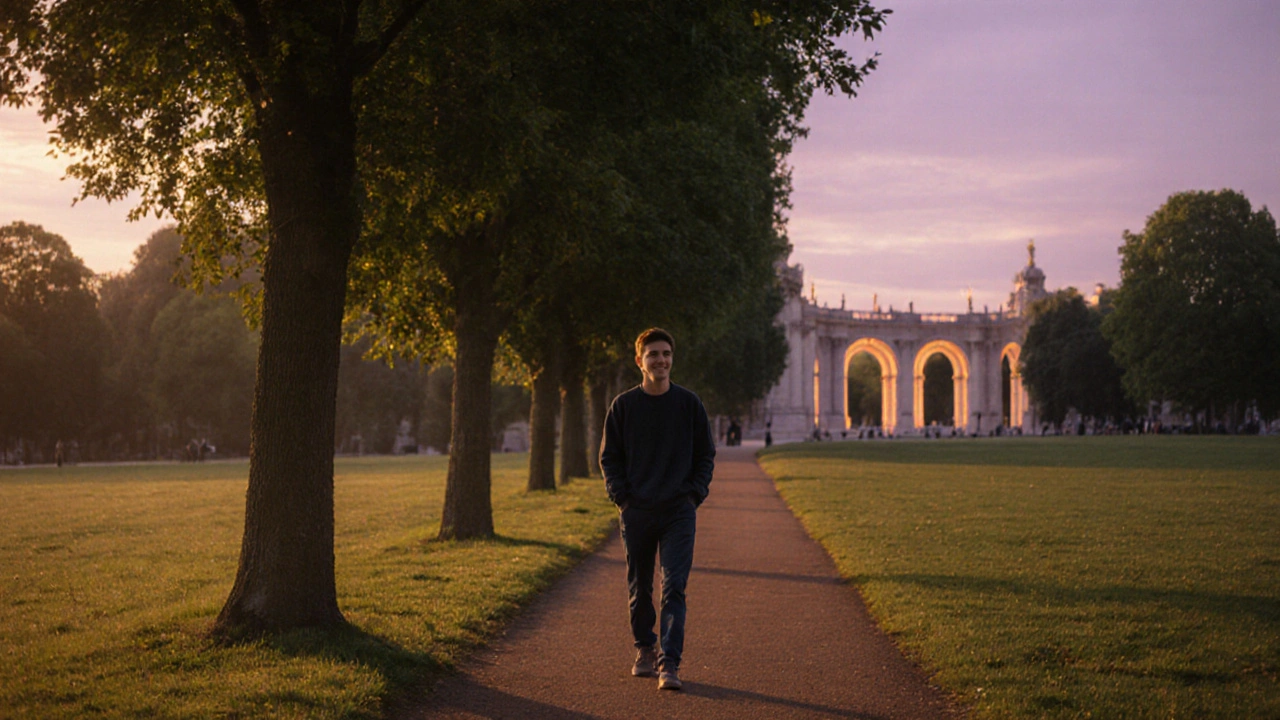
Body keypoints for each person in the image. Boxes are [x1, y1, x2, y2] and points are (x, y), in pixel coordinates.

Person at [600, 327, 715, 691]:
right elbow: (608, 458)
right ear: (640, 361)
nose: (660, 360)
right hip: (637, 511)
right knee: (640, 586)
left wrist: (694, 494)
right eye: (653, 354)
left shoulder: (689, 404)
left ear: (672, 359)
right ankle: (644, 648)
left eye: (666, 353)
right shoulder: (623, 406)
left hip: (679, 510)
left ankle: (670, 661)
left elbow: (705, 454)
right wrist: (623, 499)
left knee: (675, 586)